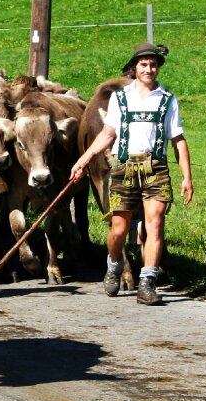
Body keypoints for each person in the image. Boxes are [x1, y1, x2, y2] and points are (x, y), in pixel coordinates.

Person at [69, 42, 193, 306]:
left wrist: (187, 177)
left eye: (153, 65)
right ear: (135, 68)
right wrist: (84, 159)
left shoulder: (167, 99)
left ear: (158, 68)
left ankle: (147, 283)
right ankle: (113, 264)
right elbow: (108, 134)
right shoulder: (120, 98)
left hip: (156, 167)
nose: (149, 69)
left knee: (155, 224)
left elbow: (178, 139)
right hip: (124, 167)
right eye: (144, 64)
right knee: (119, 228)